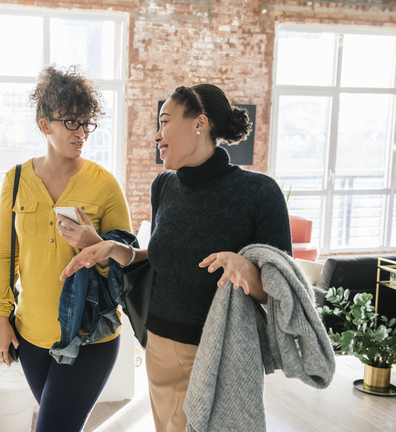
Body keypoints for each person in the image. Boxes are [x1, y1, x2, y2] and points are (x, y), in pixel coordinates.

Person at [60, 84, 293, 432]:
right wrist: (110, 247)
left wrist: (246, 270)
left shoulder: (259, 193)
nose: (157, 134)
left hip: (215, 354)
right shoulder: (164, 186)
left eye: (164, 121)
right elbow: (159, 259)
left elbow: (284, 291)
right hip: (157, 348)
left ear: (199, 123)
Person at [0, 65, 133, 432]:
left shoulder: (105, 185)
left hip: (89, 335)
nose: (82, 133)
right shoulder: (16, 179)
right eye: (71, 122)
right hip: (31, 335)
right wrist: (2, 319)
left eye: (86, 123)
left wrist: (95, 244)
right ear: (44, 125)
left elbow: (125, 267)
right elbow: (6, 254)